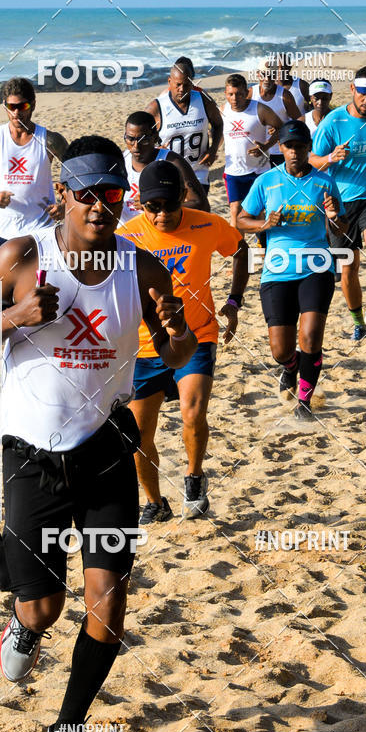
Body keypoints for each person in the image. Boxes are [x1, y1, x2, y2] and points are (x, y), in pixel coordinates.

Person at [0, 135, 197, 732]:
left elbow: (180, 349)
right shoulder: (17, 257)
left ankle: (68, 727)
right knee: (46, 607)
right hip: (31, 455)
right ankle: (23, 617)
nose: (98, 207)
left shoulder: (140, 266)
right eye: (85, 195)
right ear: (61, 196)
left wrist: (176, 337)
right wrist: (14, 317)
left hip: (107, 451)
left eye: (111, 195)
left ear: (124, 199)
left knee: (109, 608)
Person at [117, 160, 249, 524]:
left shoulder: (206, 224)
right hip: (144, 346)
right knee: (139, 435)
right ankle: (156, 502)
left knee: (193, 413)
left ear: (183, 197)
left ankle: (193, 478)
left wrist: (234, 300)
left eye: (169, 206)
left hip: (197, 335)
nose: (161, 215)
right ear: (139, 201)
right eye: (151, 207)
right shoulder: (126, 236)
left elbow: (240, 250)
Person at [237, 120, 347, 418]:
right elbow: (240, 219)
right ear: (281, 148)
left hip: (316, 267)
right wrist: (264, 224)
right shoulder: (266, 182)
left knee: (310, 338)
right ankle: (290, 366)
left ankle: (304, 403)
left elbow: (342, 226)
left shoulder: (324, 182)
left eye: (300, 146)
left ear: (308, 147)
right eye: (289, 146)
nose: (295, 152)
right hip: (276, 271)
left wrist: (335, 217)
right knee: (280, 351)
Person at [310, 66, 366, 341]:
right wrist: (330, 158)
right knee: (348, 265)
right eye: (363, 95)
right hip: (341, 201)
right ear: (352, 90)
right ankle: (358, 320)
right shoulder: (333, 122)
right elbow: (312, 160)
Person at [0, 77, 67, 248]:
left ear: (33, 104)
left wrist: (64, 205)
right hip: (3, 231)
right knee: (5, 276)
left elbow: (78, 175)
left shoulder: (50, 140)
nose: (16, 112)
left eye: (22, 106)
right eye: (11, 107)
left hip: (40, 230)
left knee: (39, 276)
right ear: (5, 106)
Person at [146, 58, 223, 196]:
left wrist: (213, 149)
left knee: (198, 214)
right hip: (168, 176)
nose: (182, 89)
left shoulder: (203, 99)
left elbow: (218, 124)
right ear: (170, 82)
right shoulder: (157, 106)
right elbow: (140, 136)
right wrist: (154, 148)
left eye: (186, 85)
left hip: (198, 173)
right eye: (178, 85)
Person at [121, 110, 208, 225]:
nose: (136, 146)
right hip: (125, 234)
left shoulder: (173, 162)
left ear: (155, 137)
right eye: (131, 139)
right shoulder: (120, 160)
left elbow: (200, 204)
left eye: (144, 140)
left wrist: (154, 207)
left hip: (157, 235)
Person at [222, 73, 282, 229]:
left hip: (259, 170)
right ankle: (239, 250)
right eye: (231, 94)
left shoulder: (260, 109)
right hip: (233, 171)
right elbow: (217, 132)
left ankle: (261, 247)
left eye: (239, 94)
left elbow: (281, 128)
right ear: (226, 94)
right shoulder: (223, 110)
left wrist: (267, 146)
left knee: (259, 213)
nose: (235, 98)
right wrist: (213, 148)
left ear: (246, 92)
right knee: (235, 211)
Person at [249, 61, 301, 165]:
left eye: (271, 75)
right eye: (264, 74)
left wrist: (283, 128)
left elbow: (299, 122)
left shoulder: (285, 95)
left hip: (279, 151)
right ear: (258, 74)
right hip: (257, 151)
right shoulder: (250, 93)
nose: (267, 79)